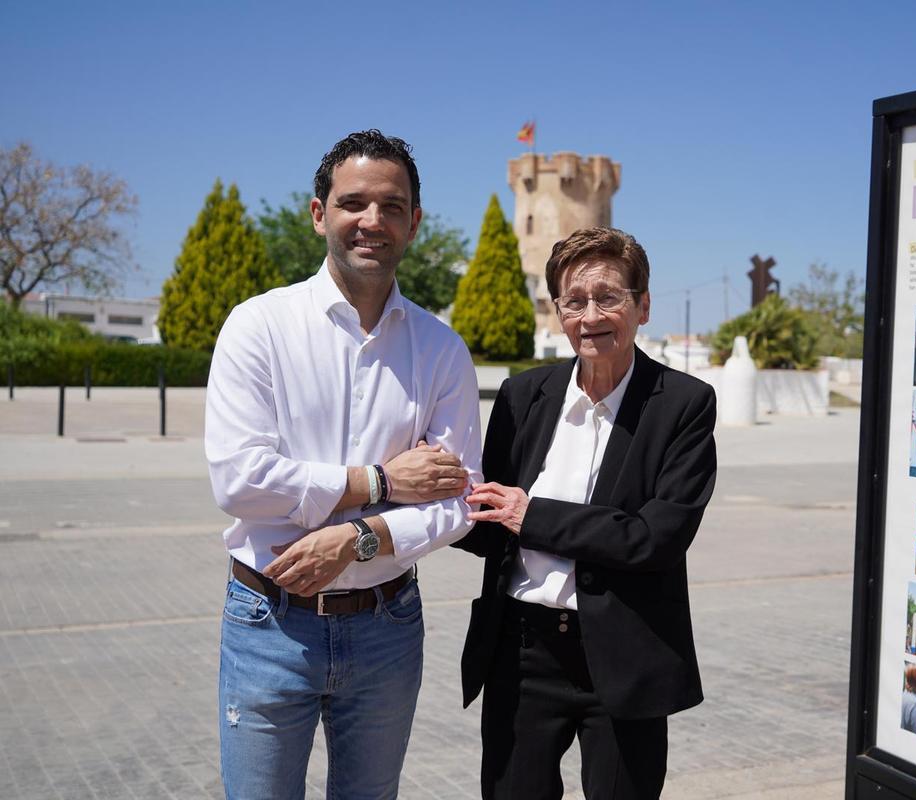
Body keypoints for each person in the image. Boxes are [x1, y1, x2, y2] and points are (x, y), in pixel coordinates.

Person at [204, 130, 482, 798]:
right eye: (353, 201)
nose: (372, 220)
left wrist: (360, 536)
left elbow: (456, 500)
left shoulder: (440, 350)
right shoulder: (259, 327)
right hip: (269, 621)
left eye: (392, 206)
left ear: (414, 222)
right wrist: (380, 483)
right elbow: (240, 480)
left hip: (387, 626)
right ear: (318, 213)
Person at [455, 227, 717, 799]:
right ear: (557, 311)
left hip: (625, 655)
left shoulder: (683, 404)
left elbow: (655, 538)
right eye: (574, 301)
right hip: (523, 654)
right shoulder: (523, 395)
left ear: (642, 306)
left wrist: (534, 516)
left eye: (609, 298)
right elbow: (489, 522)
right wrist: (438, 490)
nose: (590, 315)